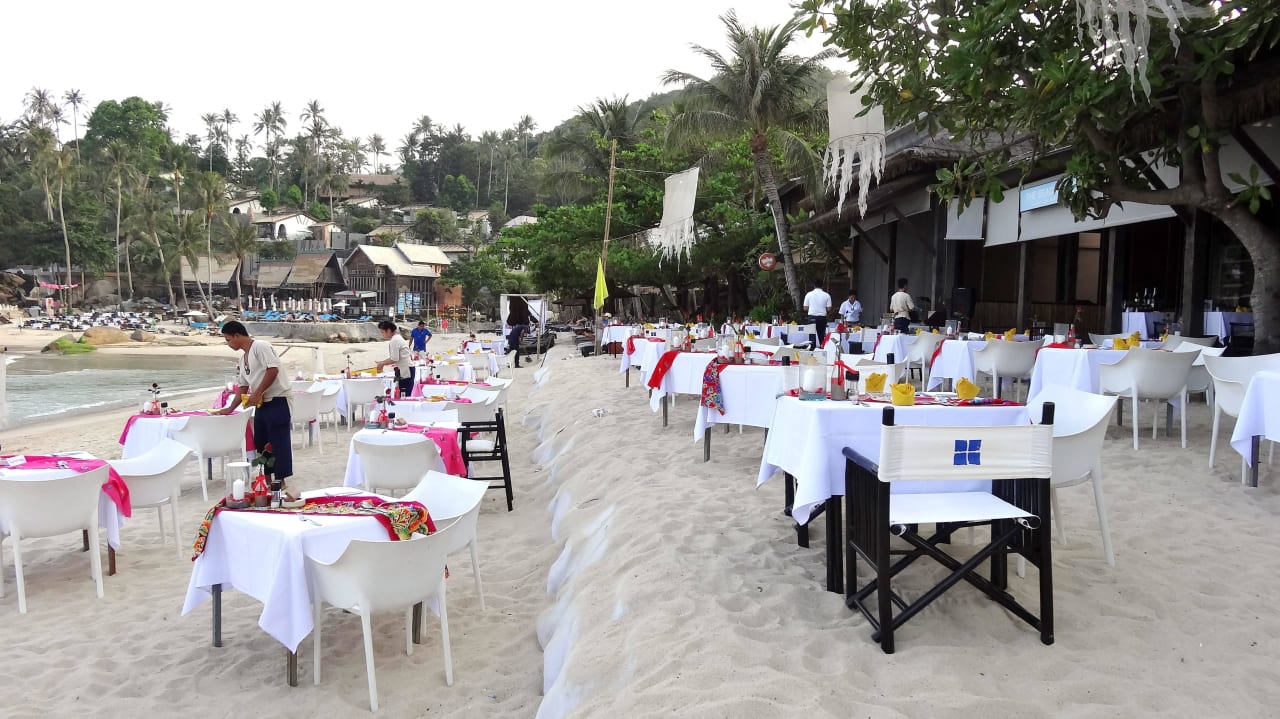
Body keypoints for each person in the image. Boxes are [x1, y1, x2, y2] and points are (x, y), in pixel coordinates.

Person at [217, 321, 294, 491]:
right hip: (261, 404)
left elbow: (273, 370)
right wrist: (230, 408)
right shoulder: (242, 358)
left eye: (228, 339)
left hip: (278, 400)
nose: (228, 343)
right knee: (261, 443)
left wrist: (258, 391)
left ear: (237, 335)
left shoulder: (260, 346)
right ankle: (266, 480)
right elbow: (243, 386)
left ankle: (280, 481)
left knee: (278, 441)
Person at [375, 320, 414, 396]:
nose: (382, 334)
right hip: (405, 368)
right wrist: (382, 362)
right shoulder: (397, 338)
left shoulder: (395, 340)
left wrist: (382, 363)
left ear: (389, 330)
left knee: (404, 395)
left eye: (383, 332)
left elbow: (394, 358)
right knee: (404, 394)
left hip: (405, 369)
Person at [802, 278, 833, 347]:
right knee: (822, 336)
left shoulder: (809, 294)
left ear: (814, 285)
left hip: (811, 317)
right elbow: (828, 309)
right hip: (822, 318)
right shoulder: (827, 295)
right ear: (822, 285)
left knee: (812, 336)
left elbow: (805, 308)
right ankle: (823, 350)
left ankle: (812, 351)